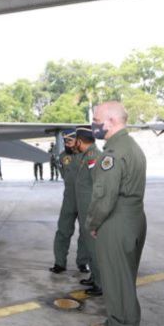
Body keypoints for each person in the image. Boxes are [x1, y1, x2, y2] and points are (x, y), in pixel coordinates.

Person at [86, 101, 147, 326]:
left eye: (96, 119)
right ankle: (114, 325)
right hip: (133, 218)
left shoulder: (112, 154)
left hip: (116, 220)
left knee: (118, 285)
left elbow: (103, 198)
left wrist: (93, 223)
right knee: (122, 279)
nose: (94, 124)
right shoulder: (129, 145)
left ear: (111, 121)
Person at [50, 130, 89, 274]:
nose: (67, 144)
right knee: (63, 231)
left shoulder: (87, 156)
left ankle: (83, 263)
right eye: (65, 142)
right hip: (69, 200)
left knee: (85, 233)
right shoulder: (63, 157)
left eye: (70, 141)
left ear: (77, 141)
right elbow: (65, 176)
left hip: (85, 200)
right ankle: (59, 263)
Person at [72, 126, 102, 294]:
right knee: (89, 246)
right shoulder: (86, 156)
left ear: (80, 140)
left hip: (90, 210)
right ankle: (94, 276)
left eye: (75, 139)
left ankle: (100, 283)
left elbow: (98, 185)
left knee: (94, 247)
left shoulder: (93, 157)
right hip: (85, 210)